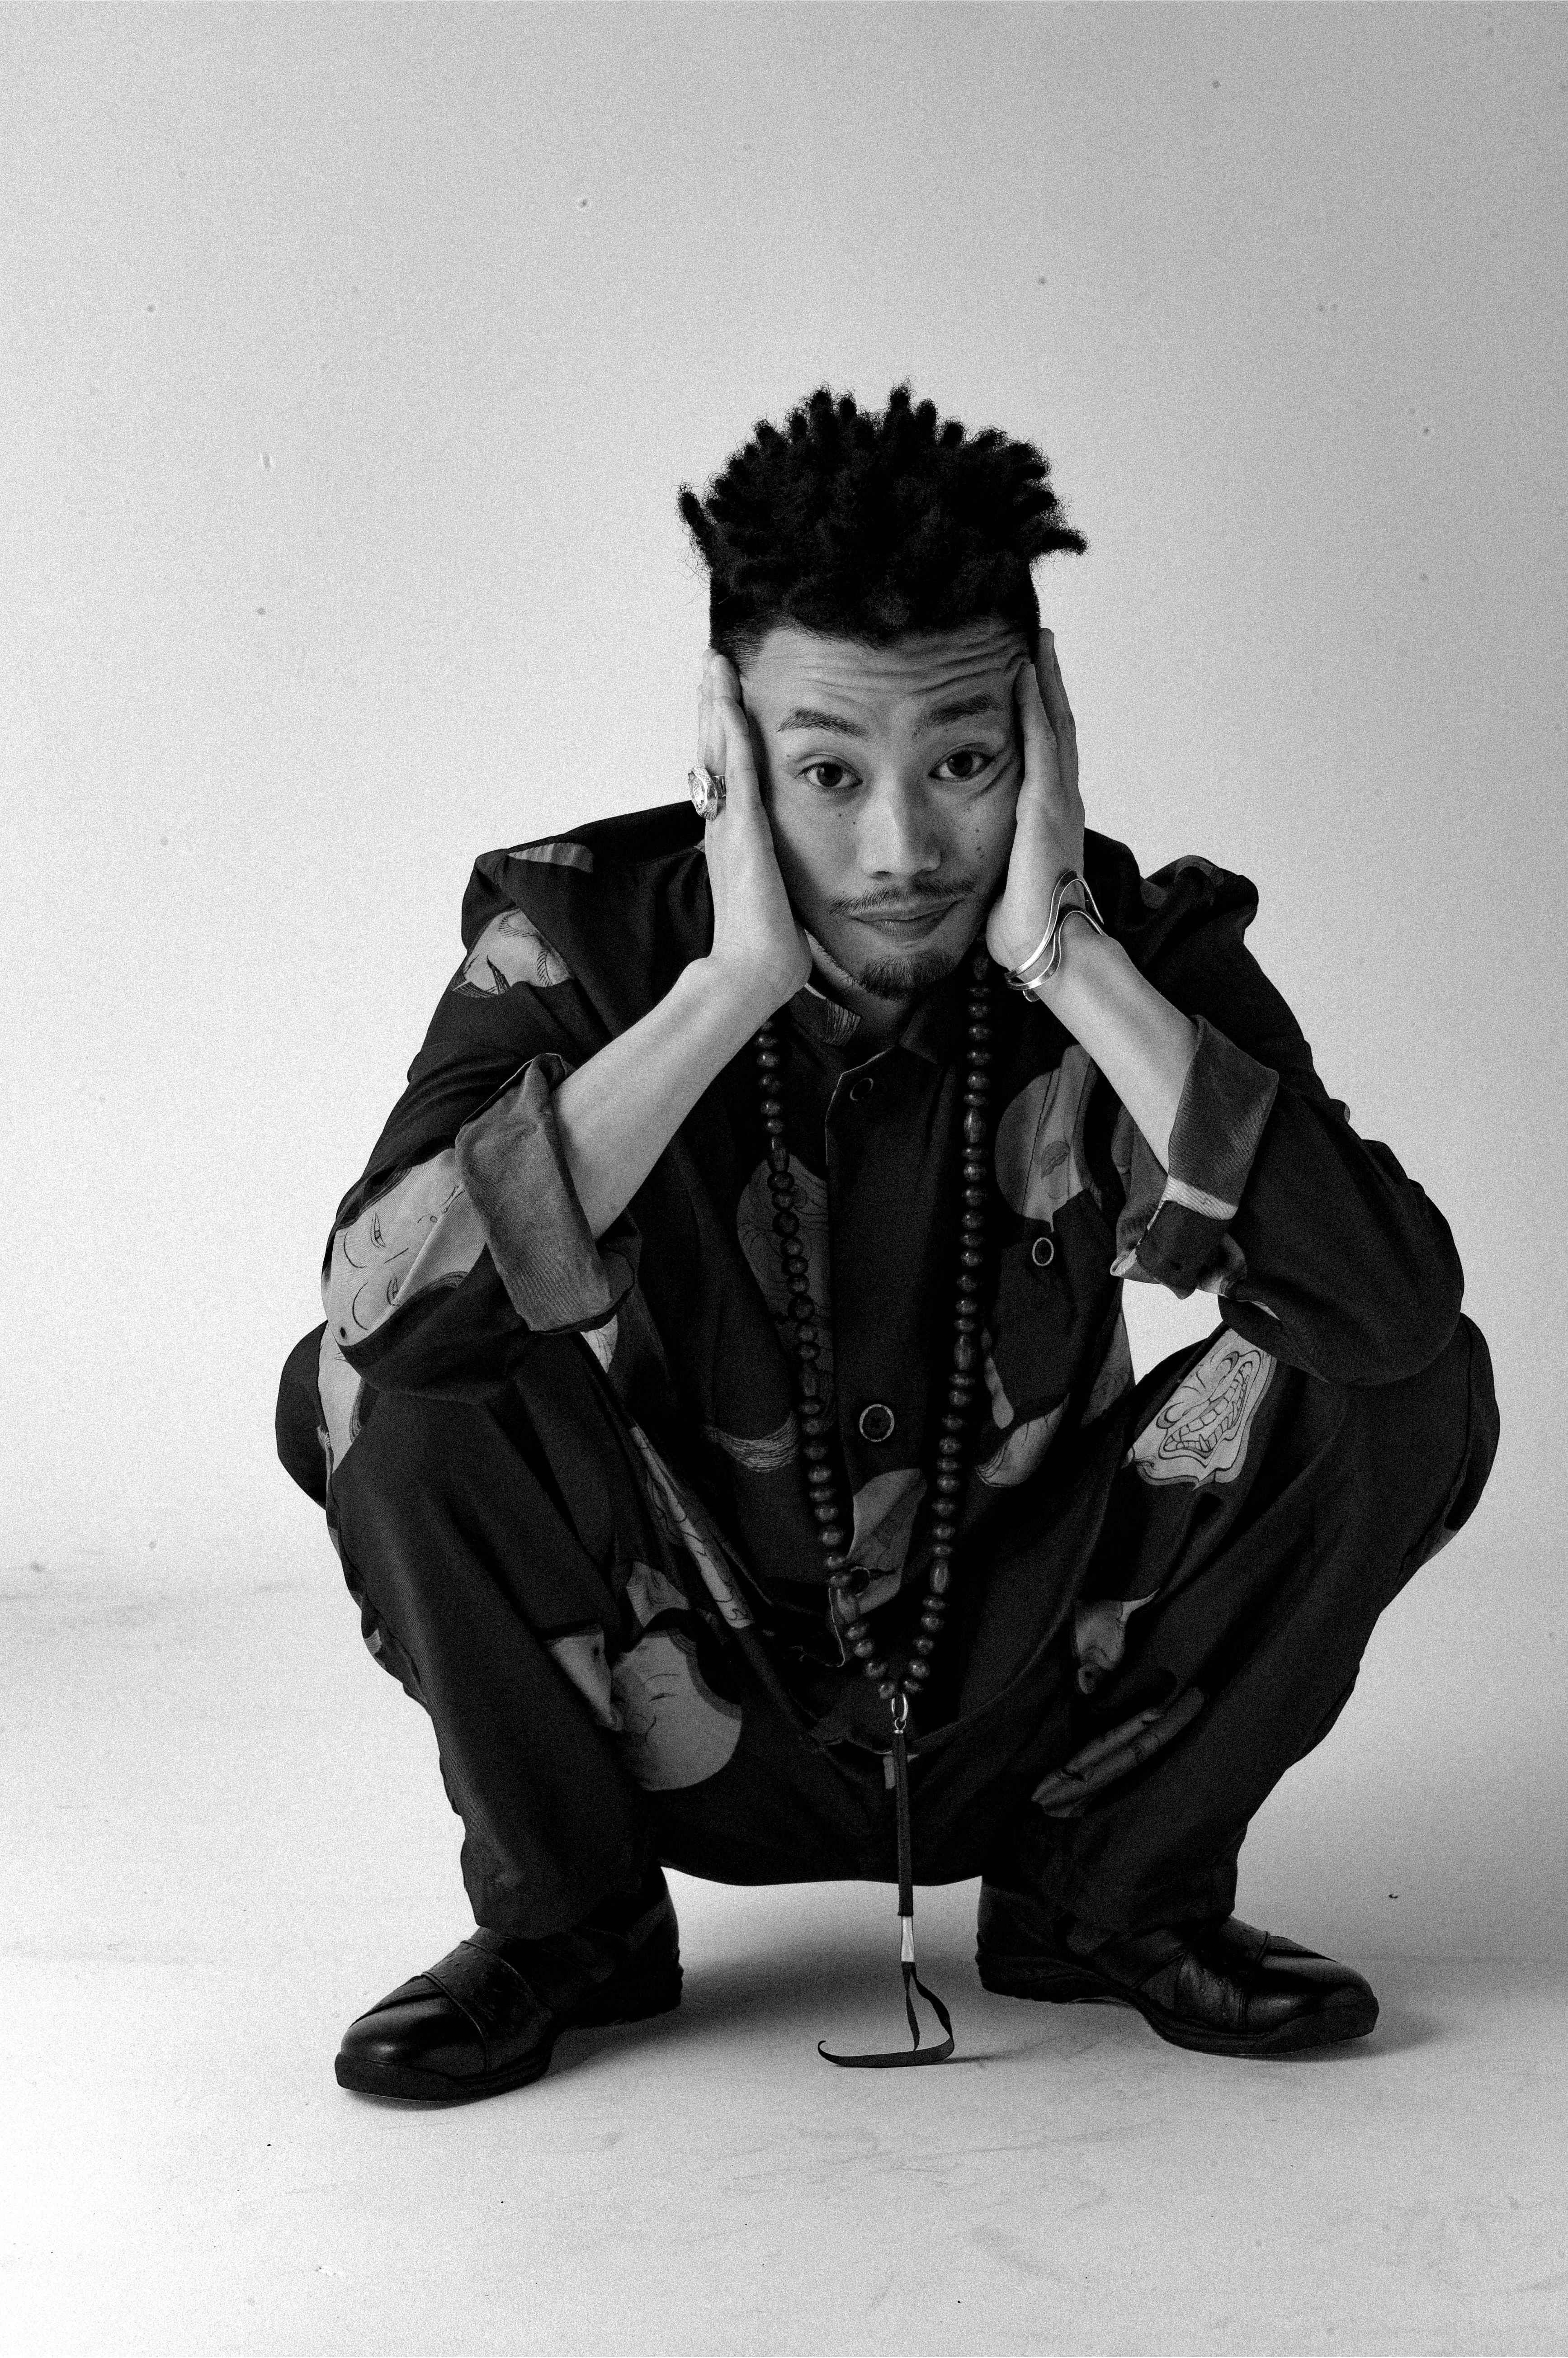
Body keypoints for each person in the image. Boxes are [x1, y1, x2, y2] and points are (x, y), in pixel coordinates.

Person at [275, 383, 1499, 2103]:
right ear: (726, 745)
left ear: (1040, 733)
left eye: (966, 765)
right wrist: (725, 991)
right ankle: (568, 1923)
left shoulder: (1137, 951)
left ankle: (1112, 1898)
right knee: (386, 1379)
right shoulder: (573, 937)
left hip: (1042, 1689)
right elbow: (387, 1321)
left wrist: (1070, 961)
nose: (904, 850)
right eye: (828, 772)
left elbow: (1388, 1314)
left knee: (1402, 1379)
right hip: (675, 1686)